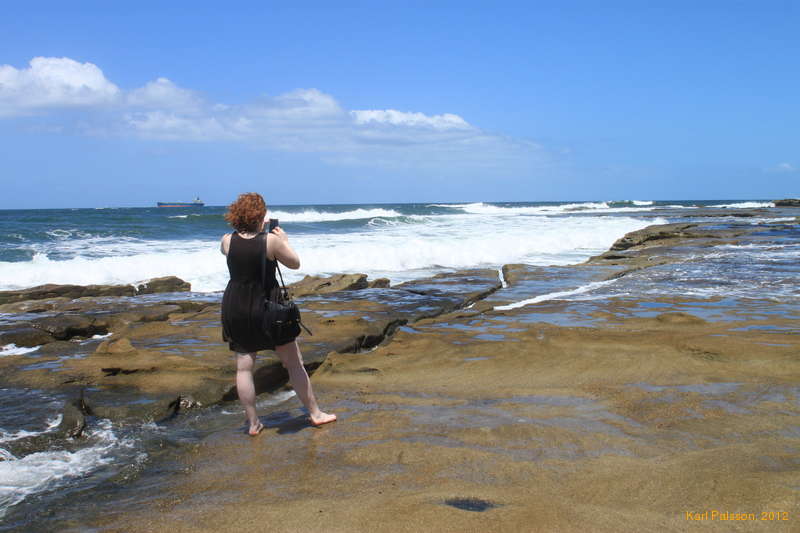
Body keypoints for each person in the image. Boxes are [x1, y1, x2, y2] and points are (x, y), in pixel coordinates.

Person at [220, 192, 336, 435]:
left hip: (236, 306)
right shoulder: (270, 242)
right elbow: (294, 263)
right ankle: (315, 413)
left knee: (243, 367)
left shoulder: (226, 241)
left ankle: (253, 423)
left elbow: (238, 258)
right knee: (294, 364)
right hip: (267, 308)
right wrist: (284, 239)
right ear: (261, 216)